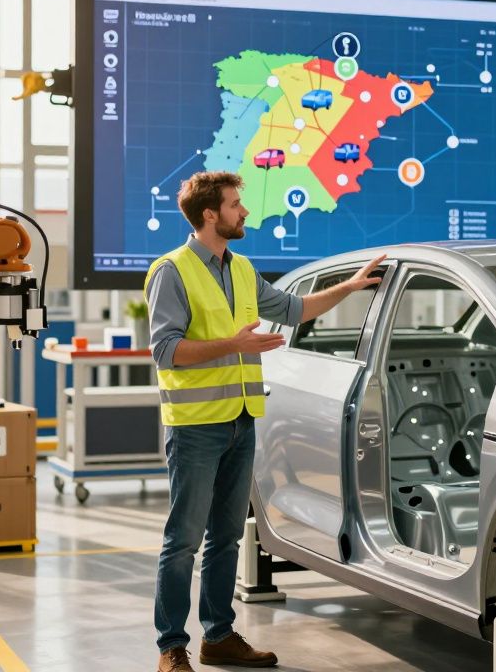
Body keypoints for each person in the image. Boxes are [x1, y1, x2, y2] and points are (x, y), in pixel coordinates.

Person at [145, 170, 384, 672]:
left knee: (227, 536)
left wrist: (352, 286)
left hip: (240, 421)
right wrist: (234, 344)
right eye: (235, 204)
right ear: (210, 214)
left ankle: (219, 635)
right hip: (194, 429)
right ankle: (171, 647)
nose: (244, 212)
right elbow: (166, 352)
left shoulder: (242, 268)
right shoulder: (172, 271)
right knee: (183, 540)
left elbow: (295, 310)